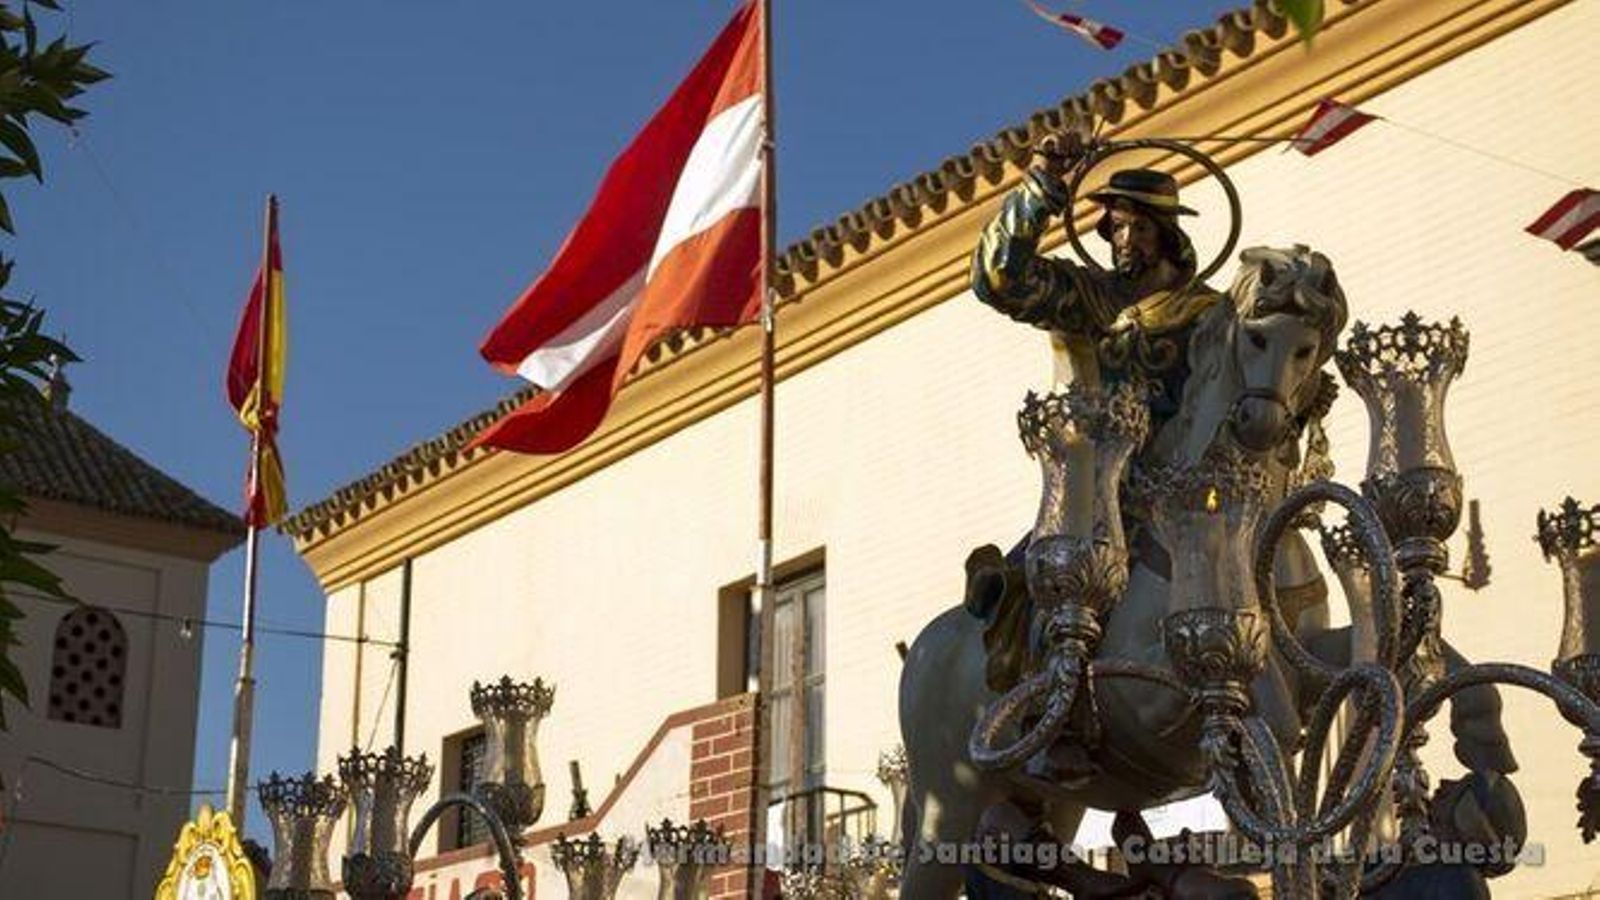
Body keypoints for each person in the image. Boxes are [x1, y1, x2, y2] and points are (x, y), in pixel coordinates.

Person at [971, 133, 1222, 422]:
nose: (1126, 240)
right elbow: (997, 278)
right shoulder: (1088, 297)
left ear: (1165, 235)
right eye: (1117, 227)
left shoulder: (1211, 315)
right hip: (1102, 460)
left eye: (1141, 228)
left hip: (1191, 461)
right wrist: (1042, 186)